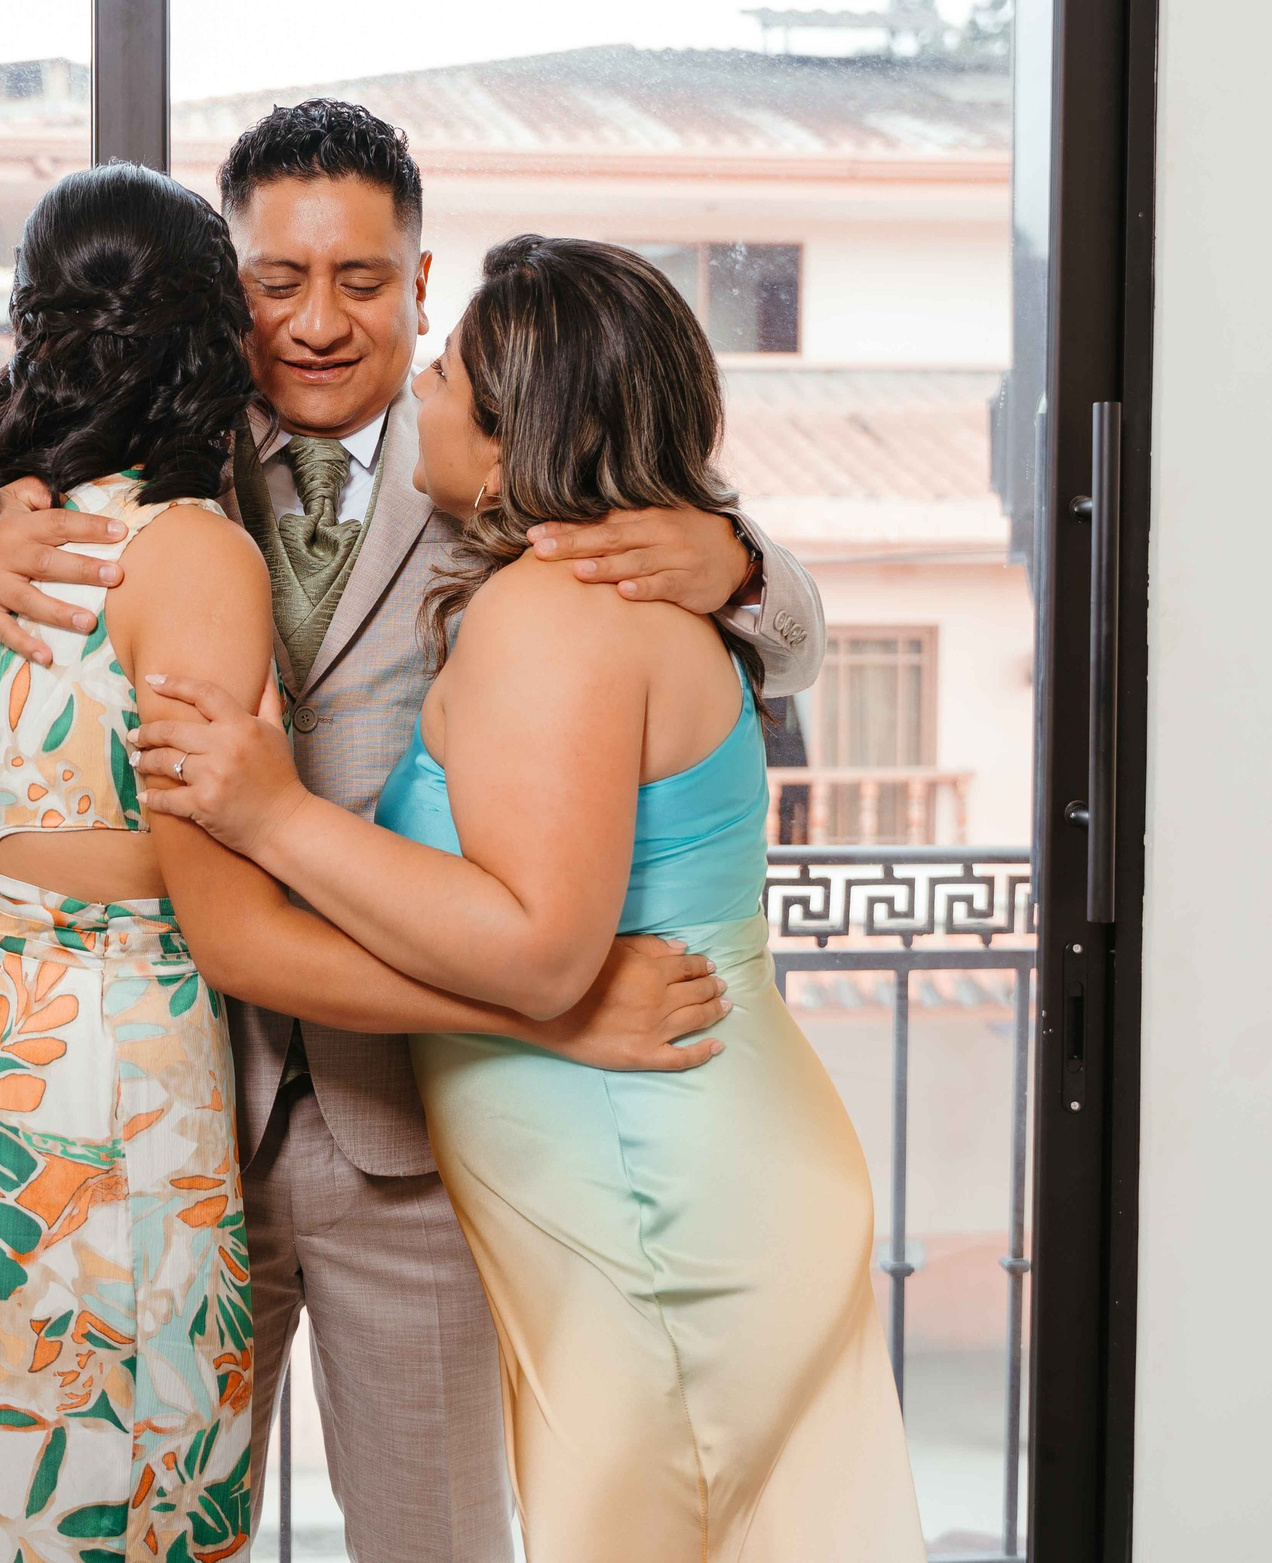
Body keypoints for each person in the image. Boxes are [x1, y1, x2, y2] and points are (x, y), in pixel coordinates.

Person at [0, 102, 825, 1560]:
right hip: (161, 1119)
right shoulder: (149, 450)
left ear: (422, 285)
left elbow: (779, 648)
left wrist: (739, 560)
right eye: (276, 282)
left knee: (435, 1541)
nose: (319, 321)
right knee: (145, 1523)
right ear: (227, 289)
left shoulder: (501, 453)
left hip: (404, 1126)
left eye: (362, 281)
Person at [136, 236, 926, 1559]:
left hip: (656, 1194)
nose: (423, 393)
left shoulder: (558, 612)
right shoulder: (594, 593)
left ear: (514, 443)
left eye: (446, 372)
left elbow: (540, 949)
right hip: (657, 1170)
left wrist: (271, 814)